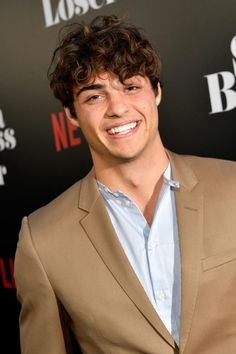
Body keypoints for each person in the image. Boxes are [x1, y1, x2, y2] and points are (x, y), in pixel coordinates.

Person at [14, 15, 236, 354]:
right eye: (94, 97)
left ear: (157, 92)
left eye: (131, 87)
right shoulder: (42, 240)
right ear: (71, 114)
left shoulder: (231, 186)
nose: (118, 107)